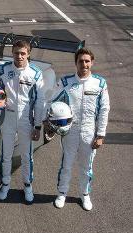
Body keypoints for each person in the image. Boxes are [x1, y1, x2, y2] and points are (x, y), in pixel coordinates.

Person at [0, 40, 46, 203]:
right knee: (6, 155)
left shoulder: (36, 73)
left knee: (26, 156)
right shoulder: (3, 69)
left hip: (26, 120)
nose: (19, 56)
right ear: (12, 53)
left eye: (23, 53)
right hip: (7, 117)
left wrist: (37, 126)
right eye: (16, 52)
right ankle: (5, 184)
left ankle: (28, 186)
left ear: (28, 53)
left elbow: (40, 101)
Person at [51, 47, 110, 211]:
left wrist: (101, 134)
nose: (84, 64)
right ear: (76, 63)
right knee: (66, 165)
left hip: (90, 133)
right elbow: (51, 102)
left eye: (87, 61)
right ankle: (62, 193)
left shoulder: (100, 83)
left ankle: (85, 195)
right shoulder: (65, 82)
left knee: (86, 168)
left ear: (92, 62)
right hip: (70, 131)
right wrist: (50, 123)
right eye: (81, 61)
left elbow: (105, 109)